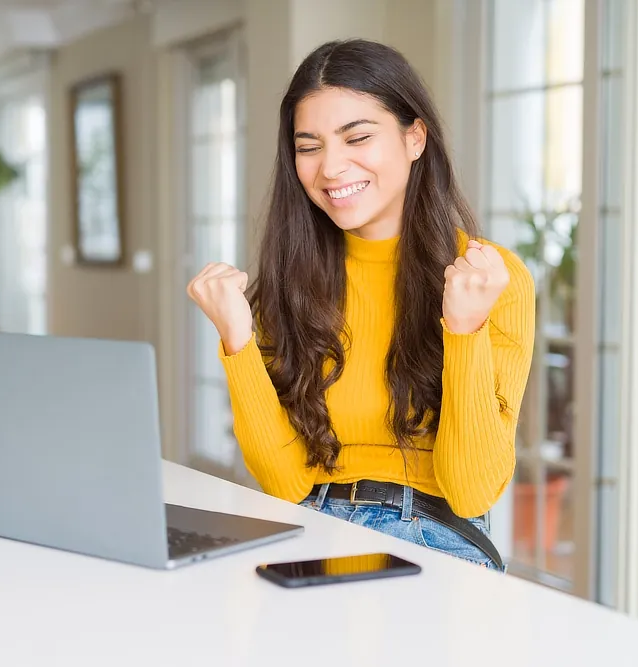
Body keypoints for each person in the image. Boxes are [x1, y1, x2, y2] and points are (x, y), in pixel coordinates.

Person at [186, 38, 535, 571]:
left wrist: (464, 330)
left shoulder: (490, 278)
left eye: (358, 137)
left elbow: (471, 492)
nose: (331, 168)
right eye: (309, 146)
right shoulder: (291, 281)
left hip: (431, 534)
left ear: (414, 137)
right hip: (305, 529)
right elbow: (285, 482)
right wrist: (238, 340)